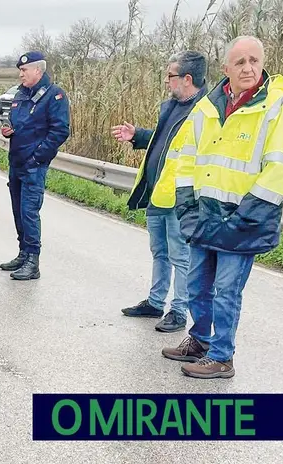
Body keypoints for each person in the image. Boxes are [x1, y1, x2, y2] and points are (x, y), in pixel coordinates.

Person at [163, 35, 283, 379]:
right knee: (196, 287)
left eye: (254, 60)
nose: (248, 68)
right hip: (205, 214)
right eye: (240, 62)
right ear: (226, 68)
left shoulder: (278, 105)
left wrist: (245, 215)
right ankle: (200, 341)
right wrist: (187, 207)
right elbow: (187, 158)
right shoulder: (208, 106)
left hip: (243, 217)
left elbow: (280, 168)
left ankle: (222, 357)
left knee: (226, 292)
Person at [111, 50, 207, 333]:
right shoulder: (172, 106)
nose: (166, 80)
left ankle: (179, 310)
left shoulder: (205, 112)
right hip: (157, 193)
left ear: (187, 78)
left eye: (170, 75)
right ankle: (155, 302)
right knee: (160, 252)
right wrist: (139, 136)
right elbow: (165, 141)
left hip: (180, 198)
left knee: (181, 256)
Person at [0, 51, 70, 280]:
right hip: (16, 161)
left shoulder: (54, 95)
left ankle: (33, 260)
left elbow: (60, 131)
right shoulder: (20, 94)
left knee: (29, 212)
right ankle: (23, 253)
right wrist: (9, 130)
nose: (20, 74)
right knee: (18, 210)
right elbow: (19, 122)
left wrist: (38, 156)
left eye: (24, 70)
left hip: (33, 164)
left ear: (37, 70)